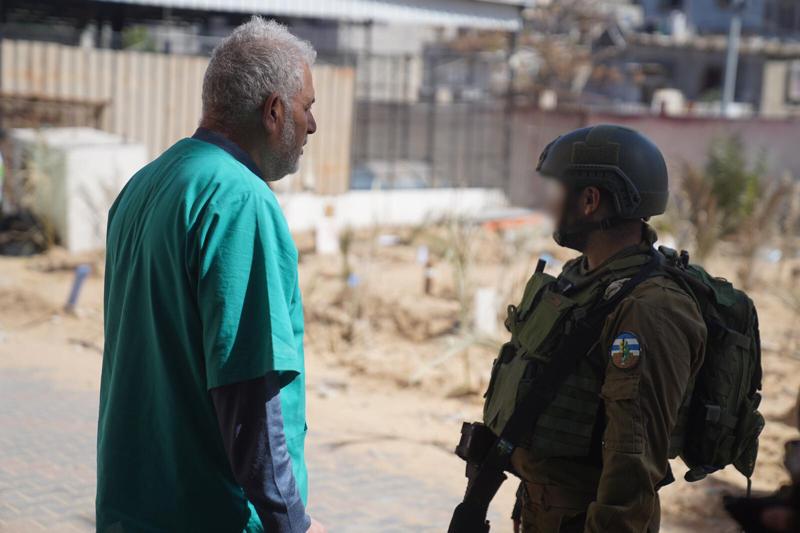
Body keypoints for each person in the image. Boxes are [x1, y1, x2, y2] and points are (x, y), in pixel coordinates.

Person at [97, 17, 324, 533]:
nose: (312, 125)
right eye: (307, 107)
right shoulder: (240, 201)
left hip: (134, 507)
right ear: (274, 111)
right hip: (209, 514)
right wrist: (292, 523)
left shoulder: (145, 185)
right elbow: (249, 393)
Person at [480, 124, 707, 532]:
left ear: (589, 201)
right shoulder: (582, 278)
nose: (549, 204)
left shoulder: (650, 309)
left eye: (557, 190)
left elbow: (633, 460)